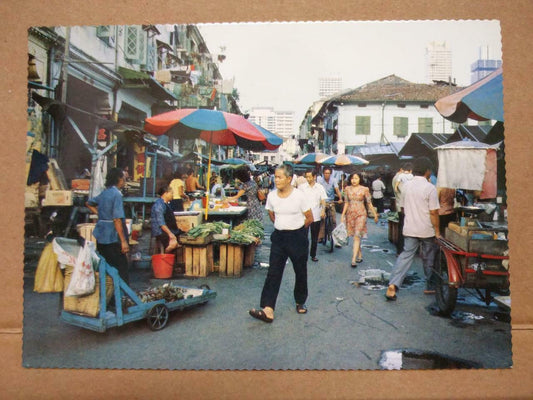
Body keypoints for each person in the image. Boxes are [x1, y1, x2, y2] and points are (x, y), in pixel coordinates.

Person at [249, 164, 313, 323]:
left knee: (300, 271)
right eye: (275, 177)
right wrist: (283, 226)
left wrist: (295, 228)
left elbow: (309, 217)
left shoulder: (299, 196)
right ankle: (268, 309)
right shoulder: (271, 196)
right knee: (274, 272)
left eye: (279, 177)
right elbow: (271, 214)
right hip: (279, 238)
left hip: (297, 237)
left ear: (289, 179)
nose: (276, 180)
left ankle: (300, 301)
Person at [385, 157, 440, 301]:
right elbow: (434, 212)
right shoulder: (430, 188)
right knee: (429, 256)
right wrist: (438, 232)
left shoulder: (406, 186)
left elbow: (402, 208)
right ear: (428, 171)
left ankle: (393, 284)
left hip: (410, 228)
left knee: (405, 255)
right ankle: (430, 286)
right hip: (427, 230)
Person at [86, 168, 130, 284]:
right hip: (112, 237)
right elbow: (117, 220)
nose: (125, 181)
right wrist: (123, 241)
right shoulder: (117, 194)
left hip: (101, 236)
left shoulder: (105, 193)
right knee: (121, 269)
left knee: (107, 267)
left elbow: (89, 203)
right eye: (124, 178)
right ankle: (120, 298)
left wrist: (100, 214)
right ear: (119, 179)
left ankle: (109, 296)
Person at [341, 172, 379, 267]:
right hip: (350, 214)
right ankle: (359, 254)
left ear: (360, 179)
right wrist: (342, 215)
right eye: (352, 178)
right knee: (354, 235)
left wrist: (375, 214)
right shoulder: (347, 189)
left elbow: (369, 203)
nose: (354, 180)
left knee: (357, 235)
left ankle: (353, 259)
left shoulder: (365, 189)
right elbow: (346, 202)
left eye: (356, 178)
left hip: (361, 214)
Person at [300, 169, 327, 262]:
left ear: (314, 177)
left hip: (316, 215)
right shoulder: (302, 187)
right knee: (303, 237)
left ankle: (313, 255)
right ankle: (303, 254)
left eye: (309, 177)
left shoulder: (320, 187)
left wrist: (323, 210)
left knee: (314, 237)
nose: (308, 179)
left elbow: (323, 200)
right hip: (304, 216)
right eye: (306, 177)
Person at [151, 185, 181, 253]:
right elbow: (161, 223)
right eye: (171, 193)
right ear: (165, 193)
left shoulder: (166, 204)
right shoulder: (159, 205)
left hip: (168, 230)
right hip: (160, 232)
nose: (172, 195)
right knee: (174, 244)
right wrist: (170, 234)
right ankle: (165, 253)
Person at [317, 166, 343, 244]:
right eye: (325, 173)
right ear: (323, 173)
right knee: (322, 219)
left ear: (331, 174)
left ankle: (335, 237)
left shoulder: (333, 180)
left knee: (333, 220)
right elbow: (317, 190)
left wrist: (340, 198)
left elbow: (337, 190)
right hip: (322, 201)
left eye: (328, 173)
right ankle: (321, 236)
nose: (327, 175)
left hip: (331, 201)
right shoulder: (320, 180)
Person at [393, 162, 413, 255]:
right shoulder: (401, 178)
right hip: (403, 207)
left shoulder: (397, 177)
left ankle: (401, 250)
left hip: (400, 205)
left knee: (402, 228)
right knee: (403, 229)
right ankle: (401, 250)